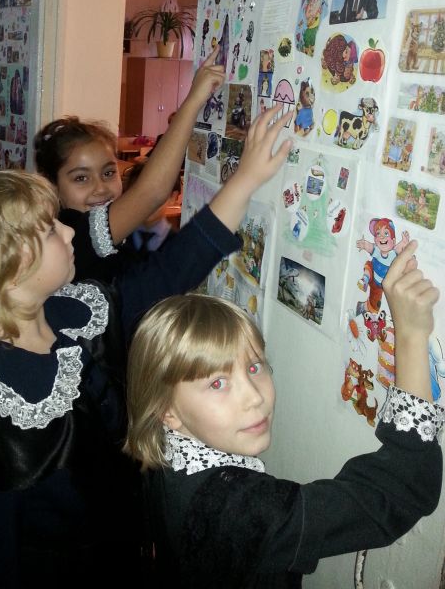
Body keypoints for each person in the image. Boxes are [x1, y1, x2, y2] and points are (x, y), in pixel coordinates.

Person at [0, 106, 292, 587]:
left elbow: (173, 268)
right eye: (50, 229)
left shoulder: (77, 311)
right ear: (7, 269)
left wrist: (245, 180)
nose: (70, 230)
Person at [124, 244, 443, 588]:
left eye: (254, 367)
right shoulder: (242, 511)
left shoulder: (170, 454)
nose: (255, 397)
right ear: (167, 411)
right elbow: (397, 492)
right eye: (217, 383)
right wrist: (410, 335)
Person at [33, 51, 225, 282]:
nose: (101, 188)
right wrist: (193, 100)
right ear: (52, 187)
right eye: (81, 178)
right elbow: (151, 192)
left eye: (108, 172)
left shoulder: (126, 234)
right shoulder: (70, 234)